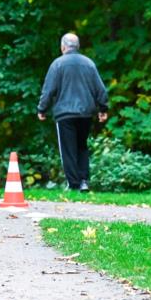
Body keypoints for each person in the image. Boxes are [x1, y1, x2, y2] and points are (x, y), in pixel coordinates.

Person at [37, 32, 109, 191]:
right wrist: (103, 108)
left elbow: (48, 90)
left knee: (68, 149)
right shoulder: (89, 63)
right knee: (82, 146)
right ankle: (84, 181)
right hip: (85, 113)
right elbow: (101, 89)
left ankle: (73, 183)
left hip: (65, 114)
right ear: (78, 46)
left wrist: (42, 109)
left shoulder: (57, 64)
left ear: (63, 47)